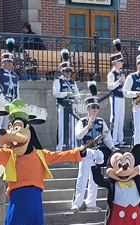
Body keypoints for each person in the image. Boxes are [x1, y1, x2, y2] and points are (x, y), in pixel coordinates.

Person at [72, 82, 116, 213]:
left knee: (94, 178)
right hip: (85, 152)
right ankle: (77, 203)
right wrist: (88, 126)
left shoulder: (101, 122)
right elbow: (79, 136)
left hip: (97, 153)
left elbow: (107, 139)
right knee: (82, 177)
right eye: (92, 107)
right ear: (87, 109)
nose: (95, 109)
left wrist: (113, 148)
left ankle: (91, 202)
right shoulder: (82, 121)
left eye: (97, 107)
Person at [53, 50, 79, 150]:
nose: (68, 73)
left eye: (69, 71)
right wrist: (66, 94)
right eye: (66, 71)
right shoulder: (57, 81)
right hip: (62, 106)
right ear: (62, 71)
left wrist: (78, 98)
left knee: (73, 127)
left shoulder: (73, 82)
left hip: (72, 107)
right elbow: (56, 93)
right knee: (62, 127)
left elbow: (76, 93)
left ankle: (73, 146)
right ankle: (60, 146)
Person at [0, 39, 20, 130]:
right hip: (1, 103)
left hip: (11, 103)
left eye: (11, 62)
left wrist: (18, 102)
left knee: (8, 126)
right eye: (8, 62)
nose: (10, 64)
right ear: (3, 63)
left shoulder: (15, 75)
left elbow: (17, 90)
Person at [107, 40, 126, 146]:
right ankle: (113, 140)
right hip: (115, 96)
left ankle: (120, 139)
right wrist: (118, 82)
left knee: (121, 118)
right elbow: (110, 86)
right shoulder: (112, 73)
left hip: (121, 96)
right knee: (114, 117)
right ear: (115, 62)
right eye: (120, 61)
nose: (122, 63)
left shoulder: (121, 73)